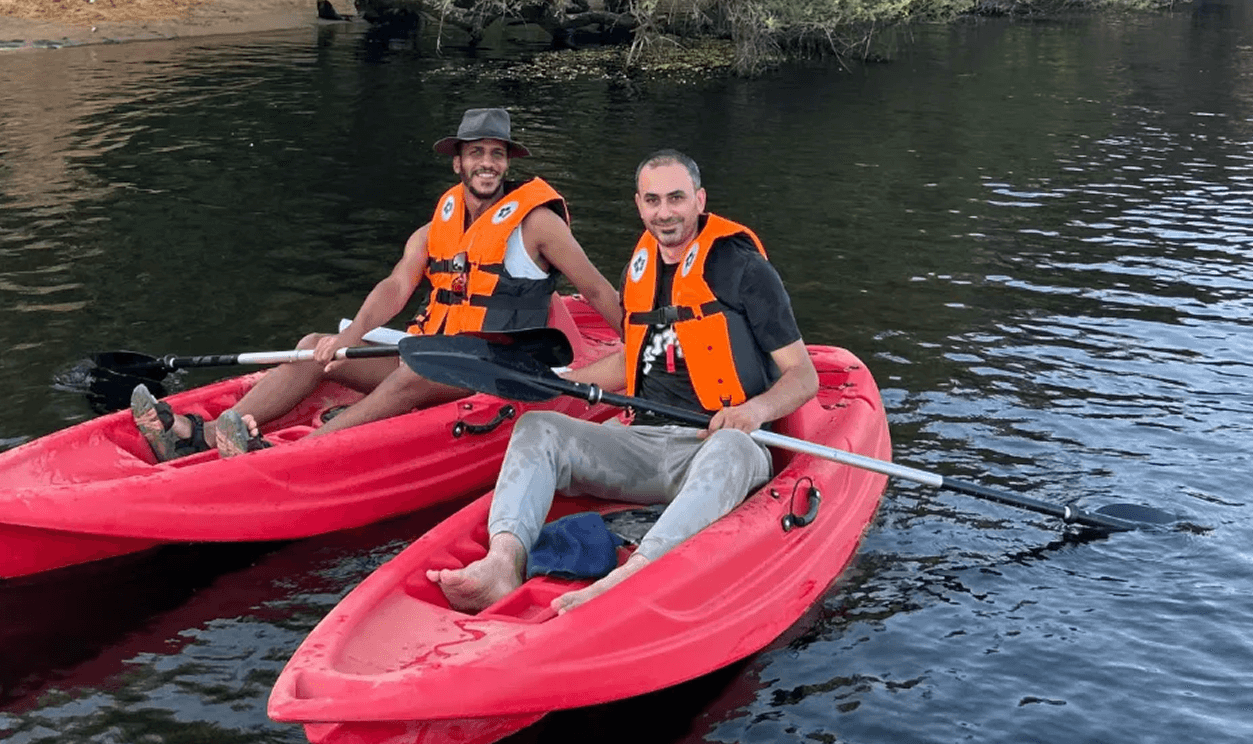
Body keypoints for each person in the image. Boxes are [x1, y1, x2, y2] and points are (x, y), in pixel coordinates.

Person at [428, 148, 819, 614]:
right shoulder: (639, 270)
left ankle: (633, 574)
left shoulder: (744, 269)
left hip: (717, 446)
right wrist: (556, 381)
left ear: (699, 200)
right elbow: (632, 361)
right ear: (639, 205)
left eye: (676, 198)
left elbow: (803, 375)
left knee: (733, 447)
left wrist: (753, 411)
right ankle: (502, 563)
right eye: (653, 201)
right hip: (643, 444)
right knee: (537, 428)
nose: (664, 213)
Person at [131, 108, 624, 462]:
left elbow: (598, 290)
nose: (487, 163)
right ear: (458, 162)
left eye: (497, 154)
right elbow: (395, 287)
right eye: (476, 153)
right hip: (434, 352)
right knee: (314, 346)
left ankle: (289, 455)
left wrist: (638, 349)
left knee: (412, 377)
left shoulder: (537, 224)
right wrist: (345, 339)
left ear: (507, 163)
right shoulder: (438, 227)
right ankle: (200, 435)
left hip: (497, 366)